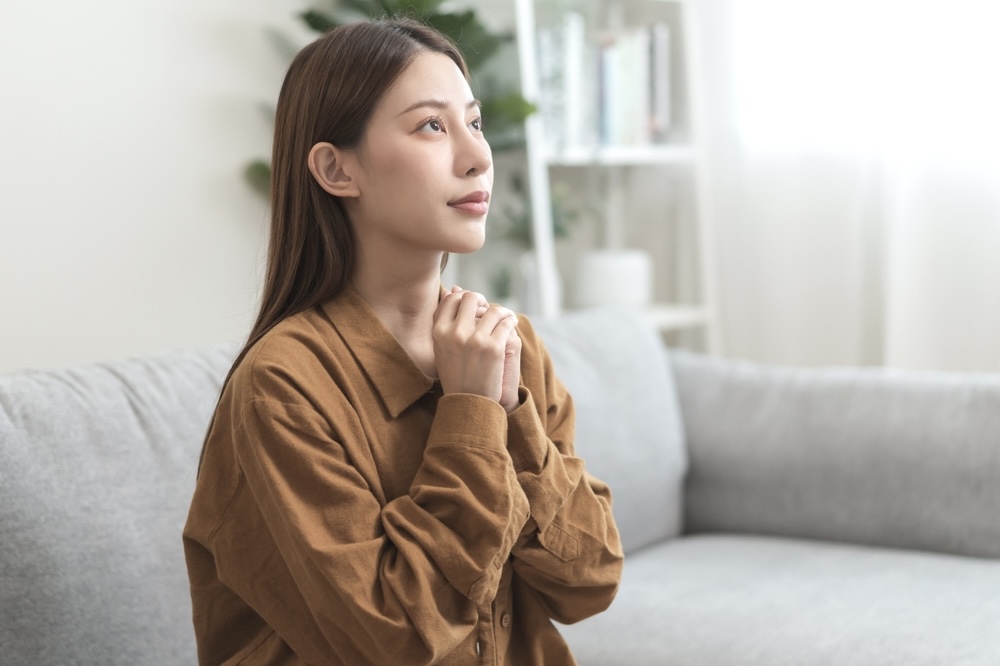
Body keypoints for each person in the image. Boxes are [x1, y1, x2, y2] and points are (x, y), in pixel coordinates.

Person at [183, 17, 623, 666]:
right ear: (336, 169)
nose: (477, 156)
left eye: (473, 123)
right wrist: (472, 414)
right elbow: (400, 640)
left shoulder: (509, 342)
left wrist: (512, 414)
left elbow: (588, 582)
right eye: (431, 126)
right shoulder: (282, 385)